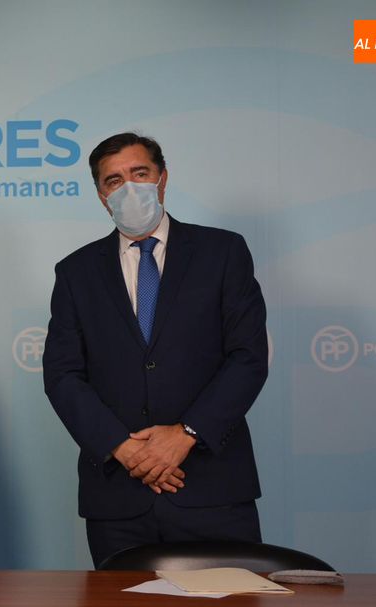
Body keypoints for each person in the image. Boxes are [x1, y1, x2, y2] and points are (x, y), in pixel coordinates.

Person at [43, 133, 268, 568]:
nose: (127, 187)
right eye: (113, 180)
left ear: (162, 179)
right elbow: (62, 375)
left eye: (139, 173)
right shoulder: (75, 272)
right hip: (118, 499)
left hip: (212, 492)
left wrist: (185, 434)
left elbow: (248, 358)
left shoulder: (223, 252)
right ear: (100, 195)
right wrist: (124, 449)